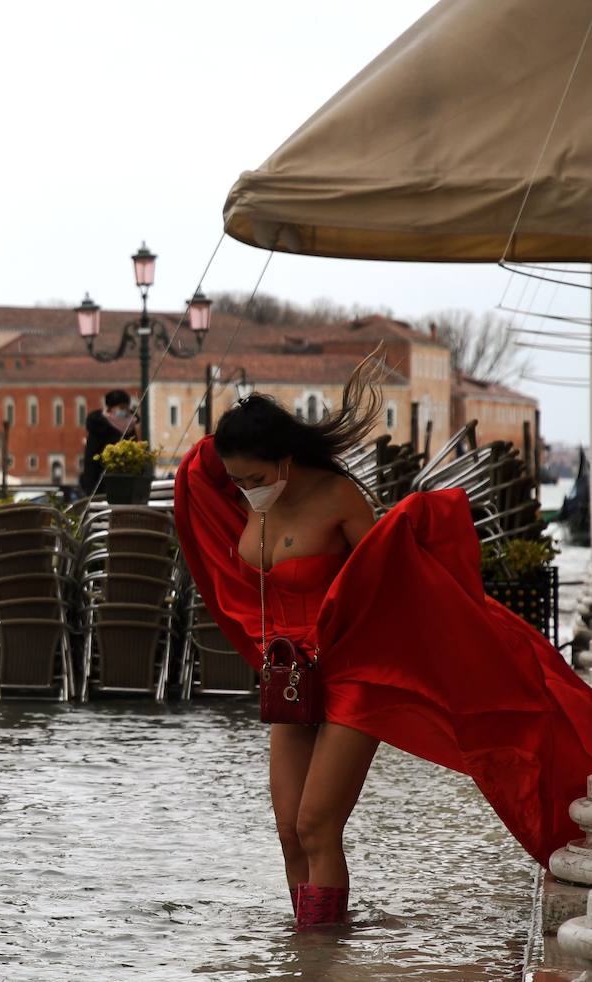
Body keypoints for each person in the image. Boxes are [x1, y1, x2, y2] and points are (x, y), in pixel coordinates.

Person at [174, 359, 592, 930]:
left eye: (253, 479)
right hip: (290, 680)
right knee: (288, 828)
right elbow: (199, 467)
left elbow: (389, 577)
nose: (245, 492)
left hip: (354, 675)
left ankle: (322, 951)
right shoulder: (242, 498)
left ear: (286, 463)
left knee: (318, 824)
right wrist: (240, 423)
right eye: (237, 481)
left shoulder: (338, 497)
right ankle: (308, 955)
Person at [79, 389, 136, 495]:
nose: (125, 411)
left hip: (127, 482)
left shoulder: (130, 425)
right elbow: (91, 459)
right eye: (121, 408)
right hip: (102, 483)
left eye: (126, 407)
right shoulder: (99, 426)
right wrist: (91, 487)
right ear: (110, 408)